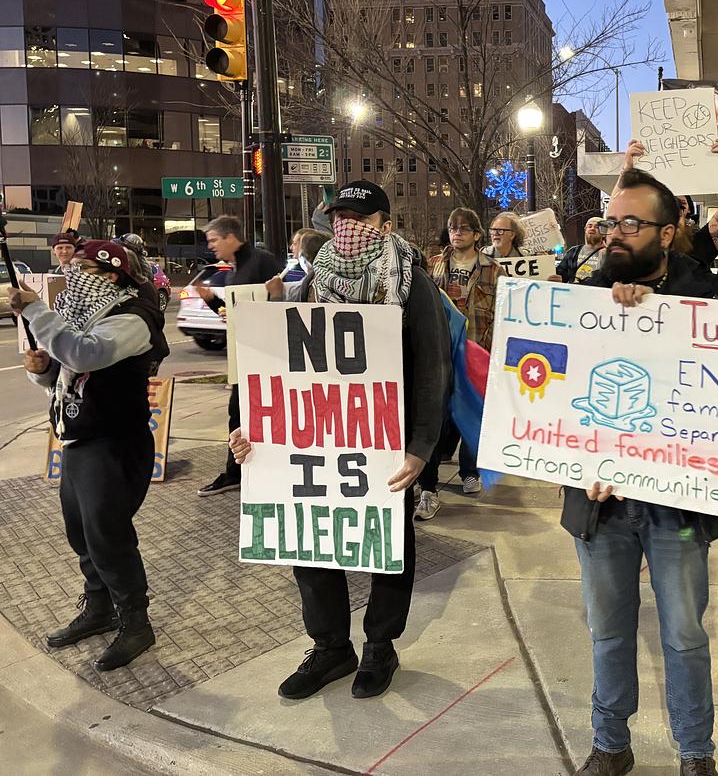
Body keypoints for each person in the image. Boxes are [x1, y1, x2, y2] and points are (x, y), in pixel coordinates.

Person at [231, 180, 451, 700]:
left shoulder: (412, 283)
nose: (346, 227)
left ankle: (380, 645)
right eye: (338, 216)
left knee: (387, 545)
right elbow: (280, 367)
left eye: (360, 217)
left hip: (384, 441)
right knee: (309, 538)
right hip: (317, 437)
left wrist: (421, 447)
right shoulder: (310, 284)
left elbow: (433, 371)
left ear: (385, 224)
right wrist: (252, 430)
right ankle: (330, 646)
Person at [568, 167, 718, 776]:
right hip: (599, 501)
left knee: (684, 633)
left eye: (632, 223)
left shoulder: (708, 295)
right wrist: (571, 458)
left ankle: (696, 754)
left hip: (675, 505)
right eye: (612, 221)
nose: (616, 233)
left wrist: (655, 311)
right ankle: (610, 745)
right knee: (607, 631)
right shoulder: (581, 288)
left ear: (667, 234)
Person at [11, 240, 169, 671]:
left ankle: (136, 623)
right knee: (81, 533)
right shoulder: (86, 316)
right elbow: (68, 372)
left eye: (84, 268)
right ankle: (99, 607)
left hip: (115, 442)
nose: (74, 274)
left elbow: (84, 353)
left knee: (107, 534)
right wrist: (42, 369)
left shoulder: (133, 318)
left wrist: (36, 311)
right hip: (80, 438)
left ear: (113, 275)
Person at [418, 208, 499, 517]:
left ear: (477, 234)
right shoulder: (433, 267)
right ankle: (428, 482)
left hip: (478, 352)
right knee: (436, 416)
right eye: (453, 228)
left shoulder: (493, 270)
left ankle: (469, 471)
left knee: (471, 411)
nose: (457, 233)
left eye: (464, 228)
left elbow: (501, 312)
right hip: (441, 353)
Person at [196, 216, 282, 498]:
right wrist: (212, 302)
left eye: (214, 240)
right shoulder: (234, 270)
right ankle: (236, 471)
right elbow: (235, 315)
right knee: (238, 412)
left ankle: (245, 471)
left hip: (267, 356)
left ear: (231, 236)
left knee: (254, 412)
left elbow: (278, 305)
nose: (211, 247)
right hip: (245, 355)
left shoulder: (262, 262)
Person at [621, 139, 718, 268]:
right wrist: (628, 171)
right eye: (669, 203)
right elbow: (619, 212)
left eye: (680, 204)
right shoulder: (641, 243)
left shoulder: (700, 242)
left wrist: (715, 168)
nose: (674, 209)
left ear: (687, 210)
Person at [558, 216, 605, 283]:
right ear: (585, 229)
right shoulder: (573, 251)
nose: (592, 228)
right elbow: (561, 275)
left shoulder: (608, 254)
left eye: (597, 227)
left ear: (604, 233)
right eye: (590, 226)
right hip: (575, 292)